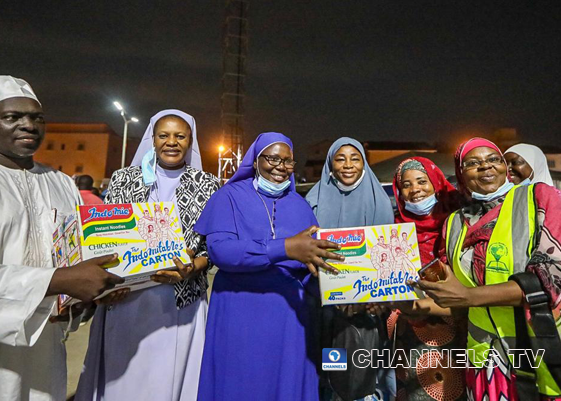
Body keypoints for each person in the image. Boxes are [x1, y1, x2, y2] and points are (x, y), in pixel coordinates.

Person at [0, 76, 123, 401]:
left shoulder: (62, 184)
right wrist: (59, 280)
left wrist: (89, 295)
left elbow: (76, 259)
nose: (29, 125)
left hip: (45, 350)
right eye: (12, 117)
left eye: (37, 118)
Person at [416, 138, 561, 400]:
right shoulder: (454, 225)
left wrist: (469, 296)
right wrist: (411, 306)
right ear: (460, 173)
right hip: (487, 362)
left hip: (542, 350)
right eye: (473, 163)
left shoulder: (537, 199)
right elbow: (458, 298)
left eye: (494, 159)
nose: (486, 167)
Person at [76, 110, 220, 401]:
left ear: (190, 141)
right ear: (152, 139)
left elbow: (212, 245)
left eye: (180, 136)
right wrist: (106, 286)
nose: (171, 142)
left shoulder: (207, 184)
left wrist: (196, 265)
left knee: (172, 375)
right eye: (163, 135)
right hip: (128, 297)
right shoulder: (124, 179)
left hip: (179, 298)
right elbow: (104, 236)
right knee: (125, 377)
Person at [195, 132, 344, 401]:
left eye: (288, 162)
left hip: (288, 316)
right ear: (255, 160)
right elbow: (221, 251)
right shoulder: (228, 196)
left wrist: (338, 286)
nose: (281, 167)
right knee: (238, 384)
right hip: (239, 311)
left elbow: (309, 264)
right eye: (273, 158)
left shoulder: (301, 206)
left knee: (284, 385)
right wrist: (284, 248)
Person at [305, 137, 395, 400]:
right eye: (340, 158)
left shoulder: (379, 200)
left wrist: (369, 297)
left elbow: (387, 259)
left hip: (366, 309)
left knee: (358, 378)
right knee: (327, 371)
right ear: (330, 164)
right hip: (320, 306)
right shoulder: (313, 200)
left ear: (364, 163)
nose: (348, 165)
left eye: (355, 158)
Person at [389, 157, 466, 401]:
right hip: (412, 333)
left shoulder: (460, 223)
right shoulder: (393, 231)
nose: (415, 190)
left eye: (422, 181)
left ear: (436, 184)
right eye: (406, 185)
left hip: (461, 326)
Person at [505, 143, 561, 245]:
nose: (508, 168)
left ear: (536, 165)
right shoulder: (504, 202)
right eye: (504, 163)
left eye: (516, 162)